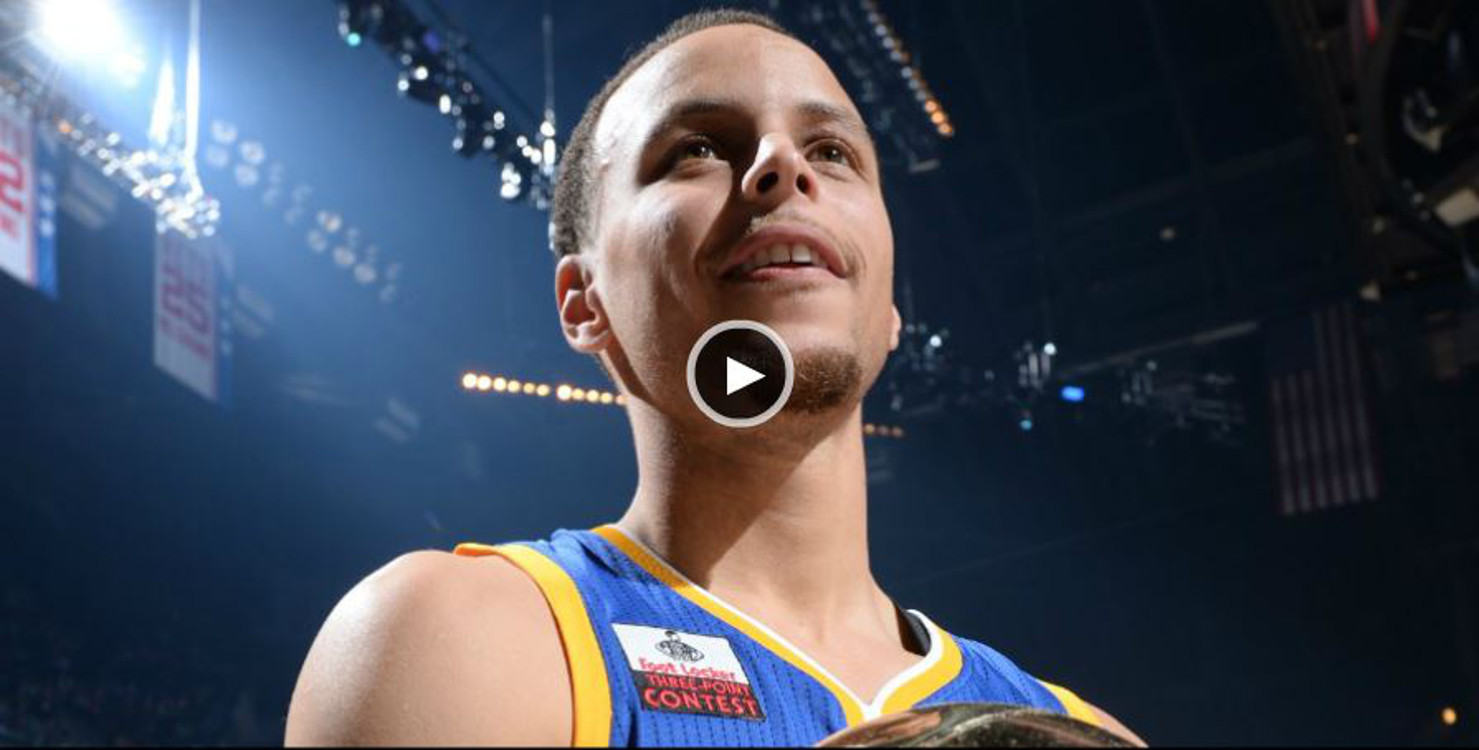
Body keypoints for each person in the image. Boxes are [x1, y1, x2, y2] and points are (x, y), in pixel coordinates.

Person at [284, 8, 1144, 747]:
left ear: (889, 309)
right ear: (584, 302)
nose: (782, 165)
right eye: (695, 149)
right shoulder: (460, 640)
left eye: (832, 151)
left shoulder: (1067, 731)